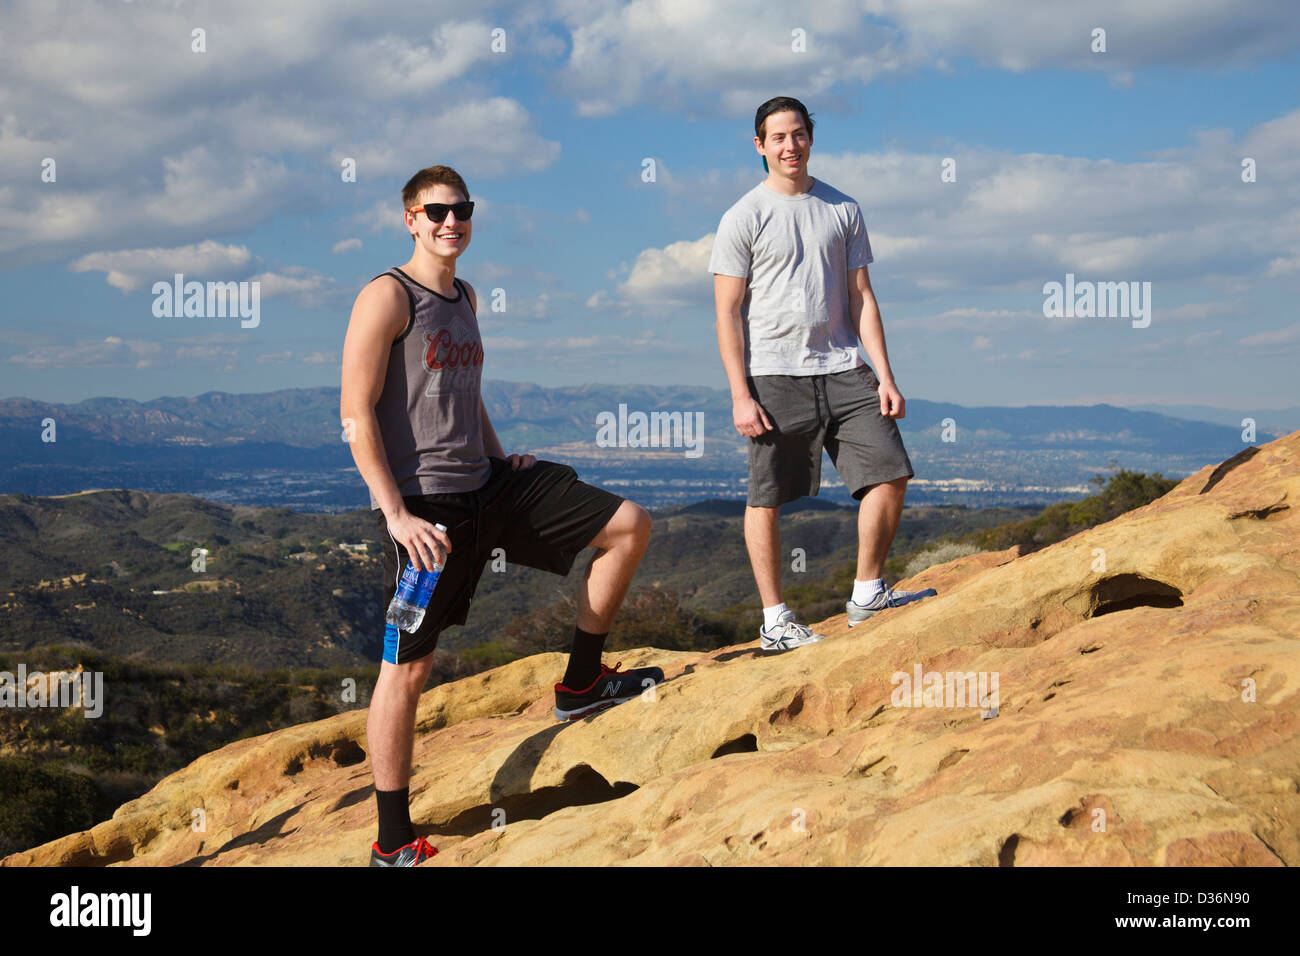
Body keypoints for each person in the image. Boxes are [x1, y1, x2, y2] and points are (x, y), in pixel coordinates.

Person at [341, 164, 662, 866]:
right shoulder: (386, 296)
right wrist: (394, 515)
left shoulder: (465, 296)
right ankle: (392, 842)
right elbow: (356, 415)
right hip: (424, 507)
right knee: (407, 667)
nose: (451, 222)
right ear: (410, 219)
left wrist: (498, 455)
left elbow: (464, 391)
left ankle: (580, 685)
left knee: (628, 525)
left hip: (488, 484)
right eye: (437, 212)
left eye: (462, 210)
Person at [709, 96, 935, 652]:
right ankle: (775, 620)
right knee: (767, 497)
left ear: (812, 137)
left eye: (799, 134)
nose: (791, 146)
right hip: (773, 374)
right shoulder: (744, 216)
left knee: (890, 471)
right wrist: (740, 394)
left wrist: (885, 374)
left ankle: (867, 593)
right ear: (759, 145)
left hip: (843, 366)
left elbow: (862, 298)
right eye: (778, 137)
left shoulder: (843, 209)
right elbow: (726, 312)